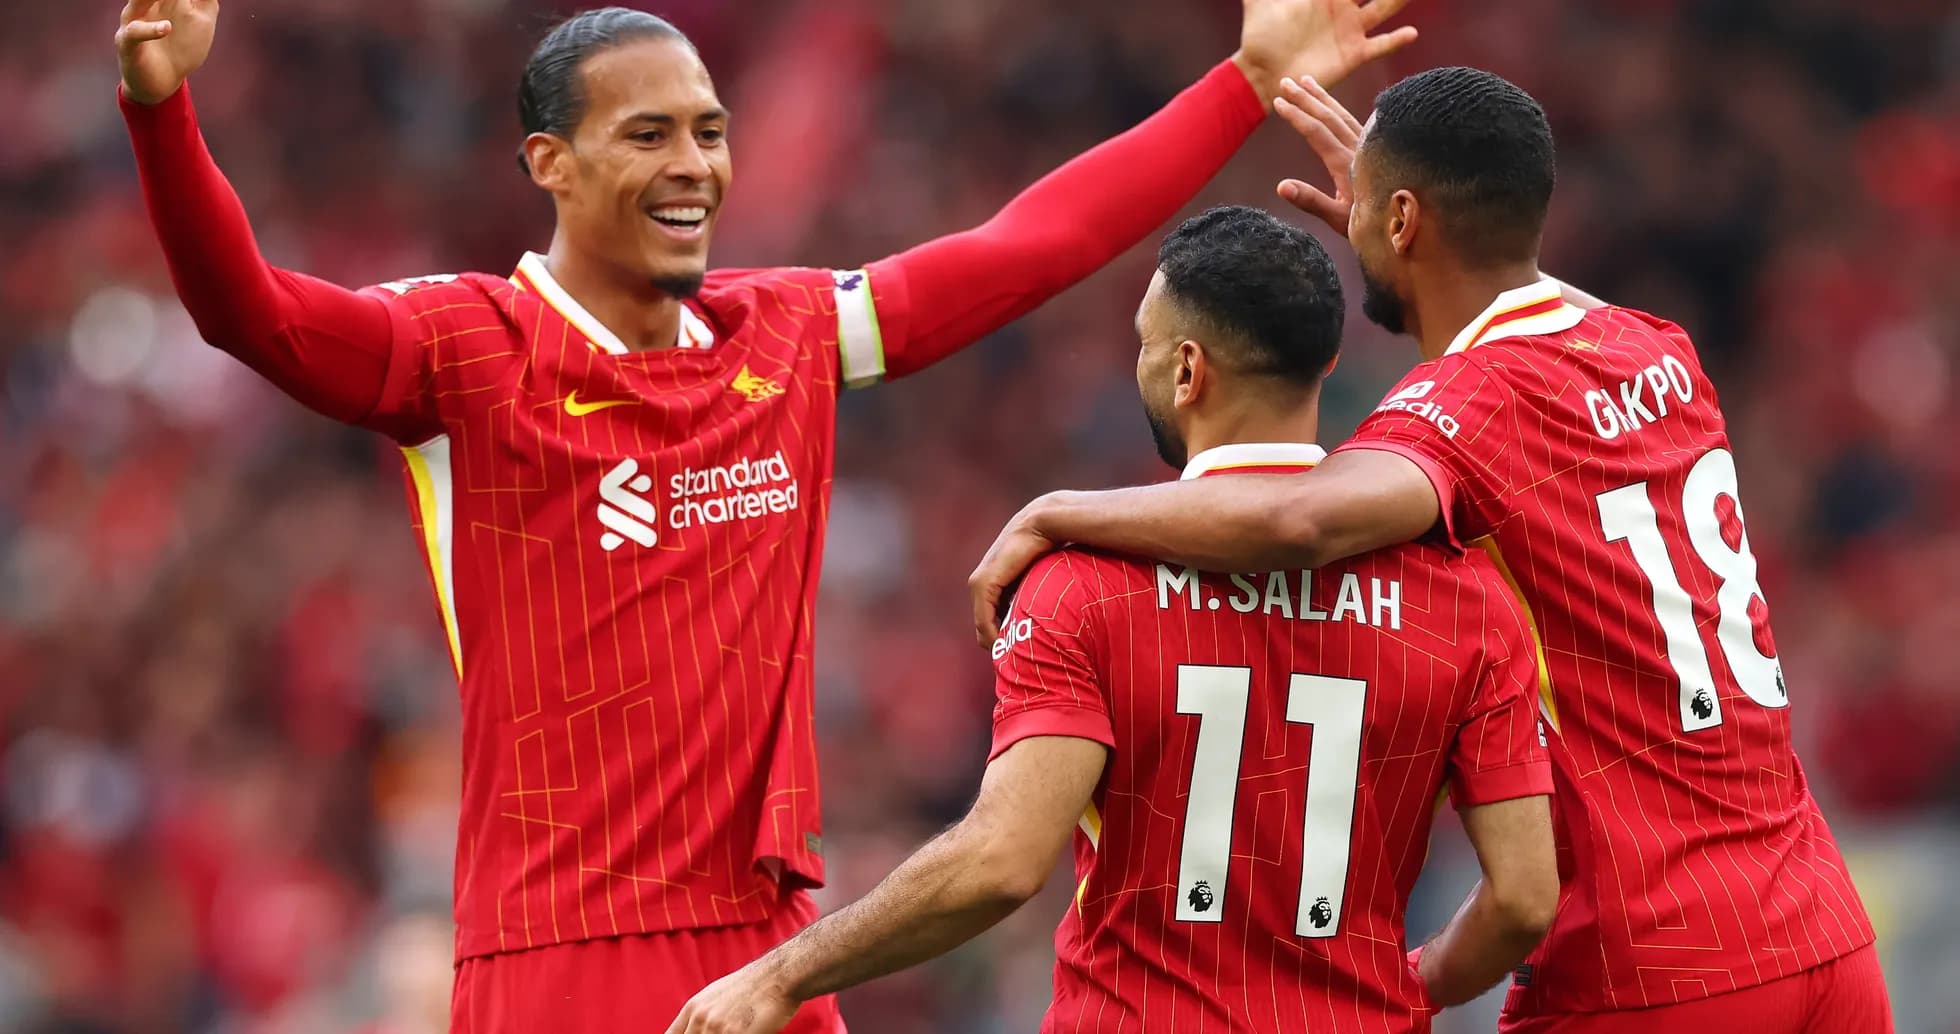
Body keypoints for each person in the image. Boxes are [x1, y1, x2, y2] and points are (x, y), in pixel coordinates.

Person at [112, 0, 1424, 1029]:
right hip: (565, 947)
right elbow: (254, 314)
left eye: (711, 129)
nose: (695, 165)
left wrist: (1242, 83)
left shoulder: (785, 330)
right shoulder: (470, 348)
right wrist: (162, 109)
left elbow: (1030, 246)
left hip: (774, 944)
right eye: (650, 134)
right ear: (548, 163)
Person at [967, 71, 1894, 1032]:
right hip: (1825, 933)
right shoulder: (1659, 347)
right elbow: (1524, 285)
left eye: (1366, 208)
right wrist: (1410, 227)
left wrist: (1058, 513)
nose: (1352, 222)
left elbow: (1298, 522)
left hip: (1649, 961)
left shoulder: (1457, 415)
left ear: (1404, 220)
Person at [667, 206, 1558, 1034]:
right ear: (1324, 364)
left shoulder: (1084, 582)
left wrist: (780, 975)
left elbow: (1001, 862)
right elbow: (1522, 896)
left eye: (1144, 344)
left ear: (1186, 370)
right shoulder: (1463, 597)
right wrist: (1400, 994)